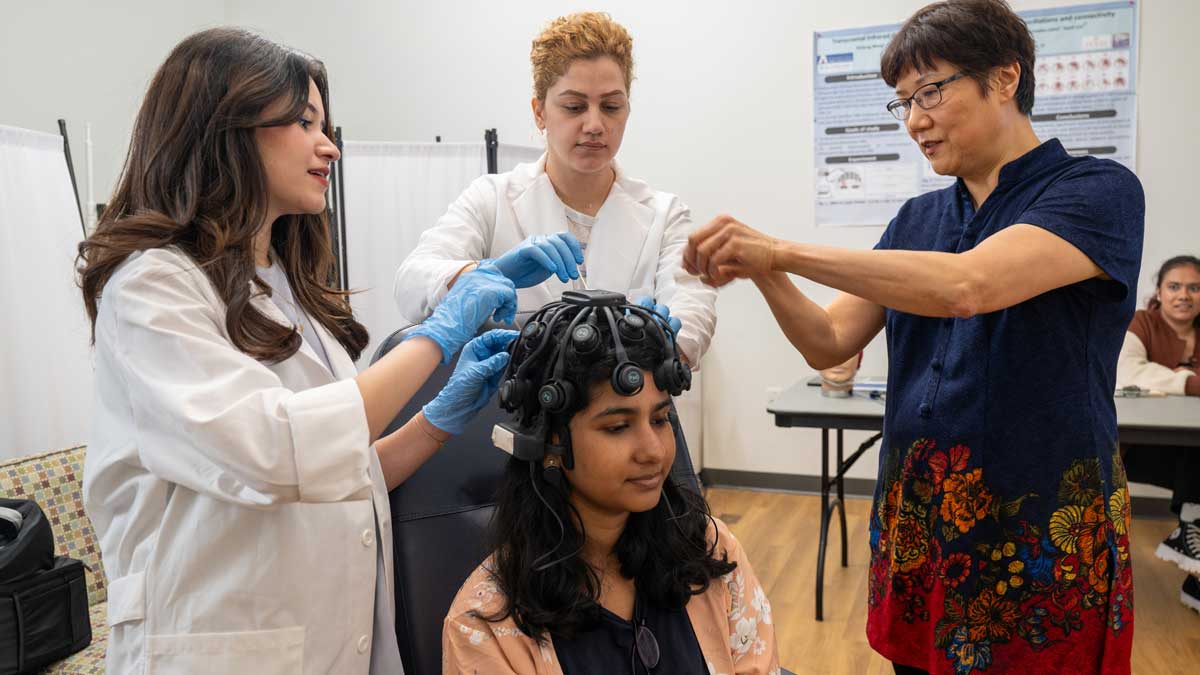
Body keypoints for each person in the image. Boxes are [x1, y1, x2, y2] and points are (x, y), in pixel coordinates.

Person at [684, 1, 1144, 673]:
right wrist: (765, 271)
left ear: (1006, 78)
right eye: (903, 102)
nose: (916, 120)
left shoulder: (1097, 190)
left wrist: (779, 249)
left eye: (931, 91)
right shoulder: (919, 216)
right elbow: (830, 339)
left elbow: (968, 286)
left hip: (1039, 520)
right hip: (923, 522)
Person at [76, 28, 516, 674]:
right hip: (216, 642)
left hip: (324, 638)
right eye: (305, 121)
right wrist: (436, 335)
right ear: (225, 126)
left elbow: (335, 472)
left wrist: (435, 424)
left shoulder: (287, 287)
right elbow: (271, 449)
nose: (329, 145)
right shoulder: (151, 285)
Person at [442, 292, 778, 674]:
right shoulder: (485, 625)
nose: (653, 451)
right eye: (618, 427)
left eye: (660, 419)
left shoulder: (709, 551)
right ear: (549, 440)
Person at [393, 12, 715, 367]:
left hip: (631, 411)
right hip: (514, 418)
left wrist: (665, 344)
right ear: (539, 113)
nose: (594, 125)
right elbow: (411, 284)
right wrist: (489, 275)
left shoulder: (665, 216)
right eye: (574, 107)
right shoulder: (491, 201)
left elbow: (692, 316)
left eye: (611, 106)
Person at [1116, 255, 1200, 613]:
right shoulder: (1141, 323)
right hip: (1142, 448)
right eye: (1175, 286)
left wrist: (1165, 379)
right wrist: (1190, 380)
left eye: (1195, 287)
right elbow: (1127, 371)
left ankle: (1191, 532)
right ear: (1160, 292)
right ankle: (1191, 525)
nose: (1185, 295)